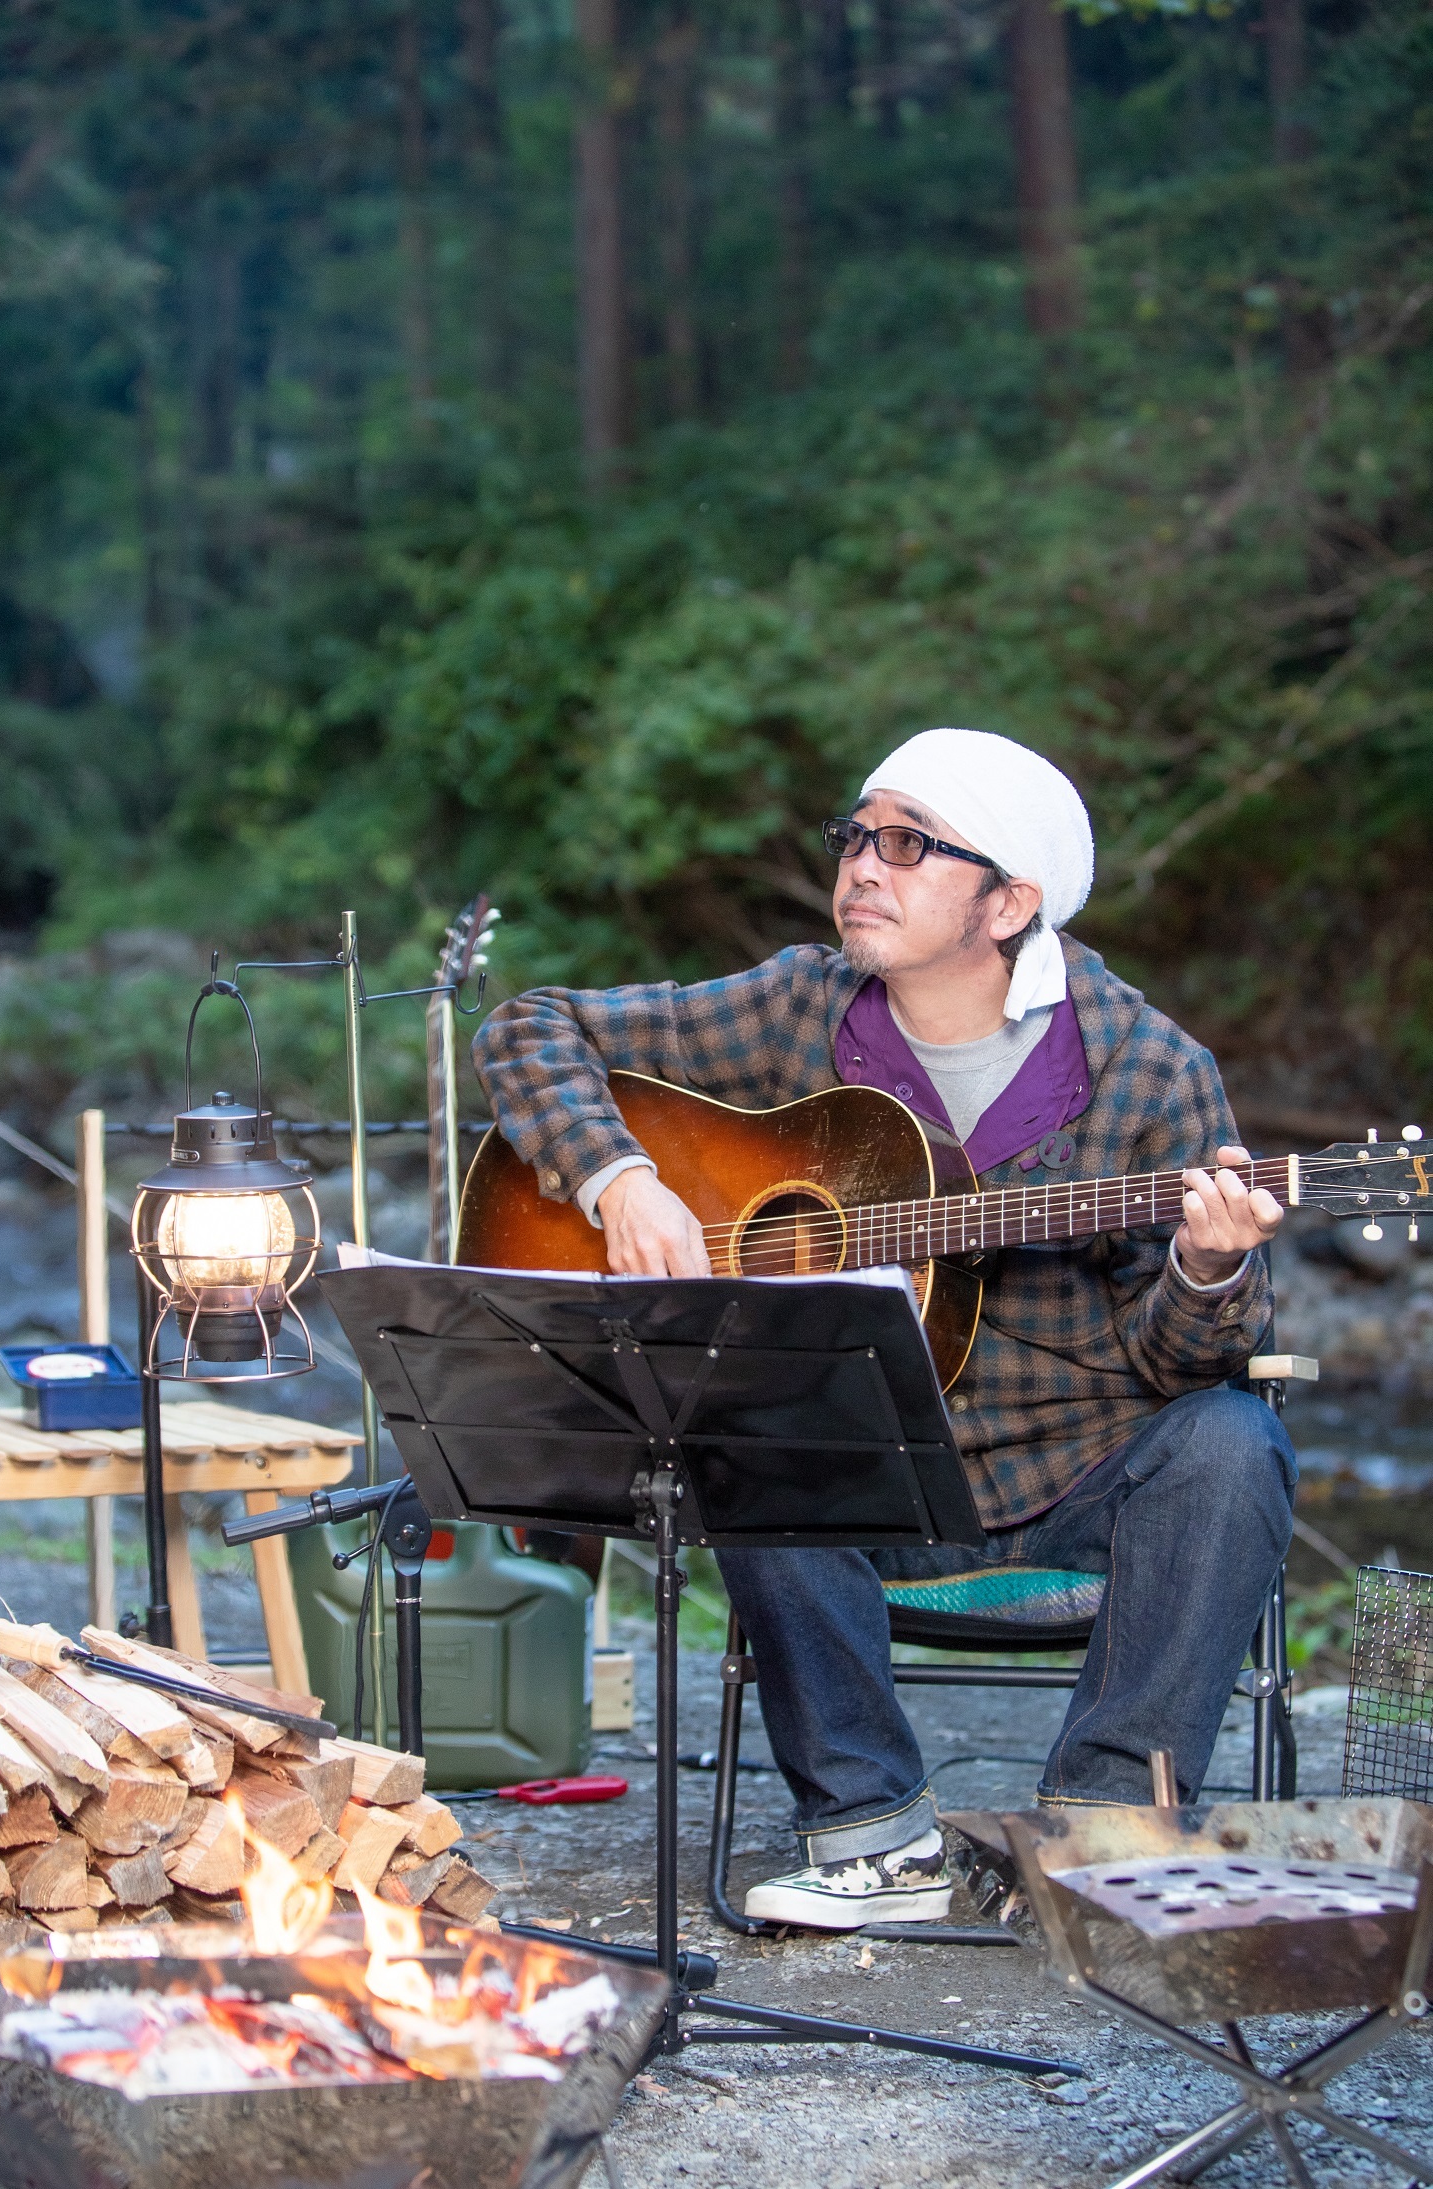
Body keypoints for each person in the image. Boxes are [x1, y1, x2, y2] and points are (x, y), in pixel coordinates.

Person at [472, 727, 1293, 1929]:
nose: (862, 864)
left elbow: (1179, 1361)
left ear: (1009, 901)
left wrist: (1205, 1263)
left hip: (1068, 1477)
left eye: (906, 844)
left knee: (1230, 1437)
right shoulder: (798, 1004)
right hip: (856, 1486)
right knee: (741, 1414)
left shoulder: (1146, 1070)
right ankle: (871, 1840)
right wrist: (619, 1180)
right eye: (855, 835)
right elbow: (526, 1026)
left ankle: (1099, 1840)